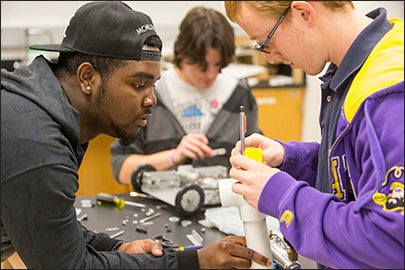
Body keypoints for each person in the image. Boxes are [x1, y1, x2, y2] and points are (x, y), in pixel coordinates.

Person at [0, 2, 272, 269]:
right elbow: (71, 264)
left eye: (153, 85)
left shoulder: (42, 111)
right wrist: (193, 261)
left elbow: (54, 228)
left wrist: (115, 248)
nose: (151, 99)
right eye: (139, 84)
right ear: (87, 78)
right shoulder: (37, 145)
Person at [224, 1, 404, 269]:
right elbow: (359, 176)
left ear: (304, 13)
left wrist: (279, 194)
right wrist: (290, 159)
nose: (269, 57)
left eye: (265, 41)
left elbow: (389, 242)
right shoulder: (351, 74)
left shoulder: (388, 94)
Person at [110, 6, 261, 185]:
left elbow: (255, 159)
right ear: (183, 53)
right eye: (202, 66)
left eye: (218, 65)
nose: (211, 75)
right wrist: (174, 156)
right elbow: (121, 169)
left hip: (224, 208)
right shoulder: (150, 95)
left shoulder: (238, 95)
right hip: (161, 207)